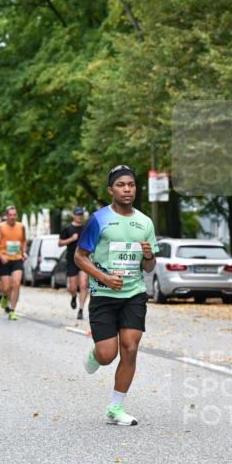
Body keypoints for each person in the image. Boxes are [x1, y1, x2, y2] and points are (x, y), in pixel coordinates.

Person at [75, 165, 158, 426]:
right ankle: (96, 355)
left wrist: (148, 256)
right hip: (103, 294)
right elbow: (80, 256)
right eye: (121, 185)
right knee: (108, 354)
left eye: (131, 185)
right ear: (111, 190)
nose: (127, 189)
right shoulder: (98, 219)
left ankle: (116, 407)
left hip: (134, 294)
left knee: (130, 349)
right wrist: (104, 278)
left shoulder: (145, 222)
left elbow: (150, 267)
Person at [0, 206, 27, 321]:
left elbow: (24, 241)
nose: (12, 217)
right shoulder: (1, 227)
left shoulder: (21, 226)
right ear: (7, 216)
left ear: (16, 216)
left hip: (17, 259)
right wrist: (1, 256)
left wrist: (24, 252)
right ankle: (4, 296)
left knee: (16, 284)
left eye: (14, 215)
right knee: (7, 287)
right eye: (10, 215)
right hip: (5, 259)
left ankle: (12, 311)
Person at [59, 206, 89, 320]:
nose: (79, 216)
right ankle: (73, 296)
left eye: (81, 214)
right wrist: (71, 239)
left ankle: (81, 310)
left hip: (84, 259)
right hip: (71, 260)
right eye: (77, 214)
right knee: (72, 287)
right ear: (73, 215)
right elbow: (60, 243)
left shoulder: (86, 228)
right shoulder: (67, 229)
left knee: (83, 284)